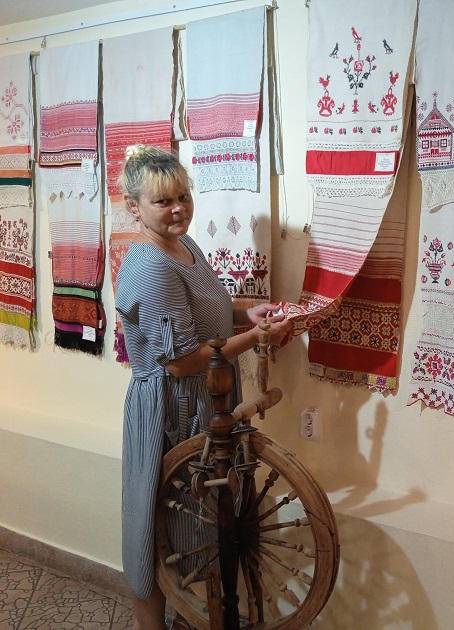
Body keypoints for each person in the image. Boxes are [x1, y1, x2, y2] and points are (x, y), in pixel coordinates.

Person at [115, 145, 289, 630]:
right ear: (134, 207)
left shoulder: (184, 245)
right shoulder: (149, 266)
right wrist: (254, 337)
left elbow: (205, 310)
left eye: (183, 197)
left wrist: (244, 313)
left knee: (199, 518)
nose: (178, 209)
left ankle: (190, 618)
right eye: (163, 201)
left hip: (204, 395)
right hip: (169, 406)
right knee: (156, 523)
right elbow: (180, 362)